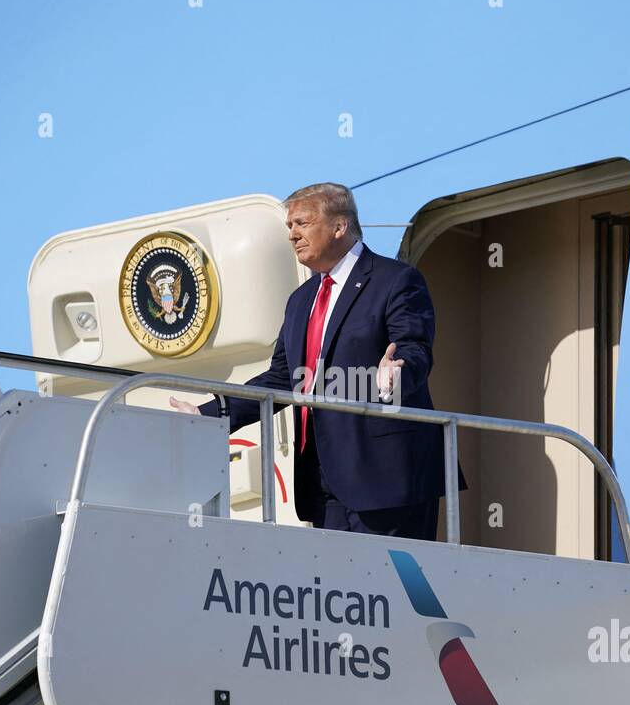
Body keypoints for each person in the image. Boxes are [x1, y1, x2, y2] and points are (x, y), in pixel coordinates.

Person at [171, 182, 462, 540]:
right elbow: (281, 378)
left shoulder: (396, 280)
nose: (292, 235)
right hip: (321, 484)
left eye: (302, 223)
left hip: (387, 479)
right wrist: (210, 413)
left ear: (339, 227)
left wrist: (395, 376)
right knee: (342, 595)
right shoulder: (300, 300)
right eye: (289, 227)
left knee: (394, 594)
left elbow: (413, 348)